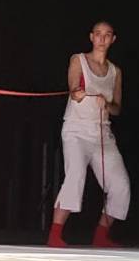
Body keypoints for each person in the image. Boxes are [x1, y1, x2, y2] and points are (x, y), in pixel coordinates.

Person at [47, 21, 131, 248]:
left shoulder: (115, 71)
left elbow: (117, 108)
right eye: (98, 34)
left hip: (102, 133)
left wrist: (108, 105)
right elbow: (73, 89)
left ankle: (101, 235)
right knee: (75, 175)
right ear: (91, 37)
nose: (102, 39)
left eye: (107, 35)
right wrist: (77, 93)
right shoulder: (79, 60)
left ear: (113, 39)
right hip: (76, 130)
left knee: (121, 185)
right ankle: (55, 234)